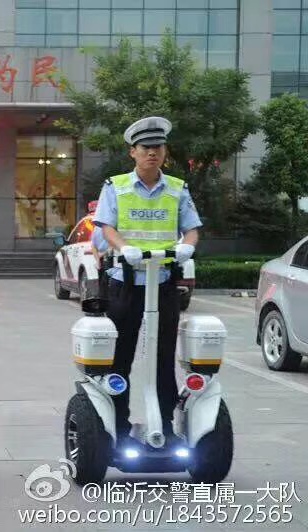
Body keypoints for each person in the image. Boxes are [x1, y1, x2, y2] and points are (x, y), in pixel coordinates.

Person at [92, 116, 201, 449]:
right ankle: (117, 425)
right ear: (133, 152)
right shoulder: (115, 186)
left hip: (163, 284)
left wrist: (187, 247)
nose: (152, 153)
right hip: (125, 283)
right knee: (119, 358)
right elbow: (106, 226)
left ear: (165, 152)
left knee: (163, 358)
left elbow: (192, 228)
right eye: (145, 148)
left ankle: (165, 425)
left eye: (158, 147)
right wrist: (124, 248)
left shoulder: (178, 188)